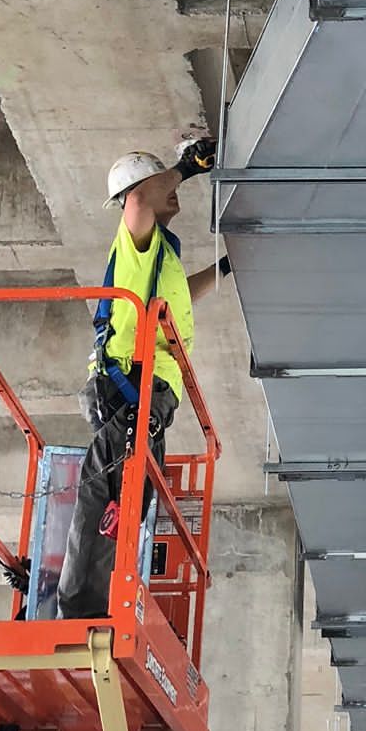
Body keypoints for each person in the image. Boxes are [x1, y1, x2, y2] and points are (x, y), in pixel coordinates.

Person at [56, 139, 229, 618]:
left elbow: (181, 296)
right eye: (160, 185)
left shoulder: (159, 253)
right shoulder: (134, 239)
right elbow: (136, 202)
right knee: (113, 487)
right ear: (140, 191)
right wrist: (185, 167)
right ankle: (83, 610)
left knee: (132, 491)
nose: (172, 193)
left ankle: (97, 602)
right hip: (130, 385)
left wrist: (224, 268)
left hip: (144, 390)